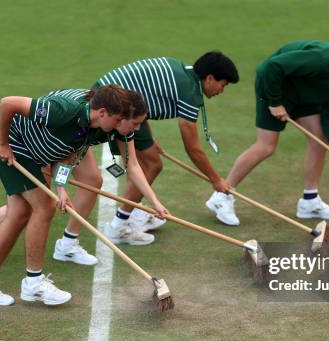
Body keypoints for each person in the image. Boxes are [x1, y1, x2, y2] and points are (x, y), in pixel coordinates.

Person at [0, 51, 239, 269]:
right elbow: (14, 108)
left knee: (90, 181)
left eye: (140, 127)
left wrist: (155, 203)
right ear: (119, 118)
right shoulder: (82, 120)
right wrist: (11, 148)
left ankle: (67, 244)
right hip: (30, 143)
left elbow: (105, 163)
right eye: (135, 126)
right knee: (33, 203)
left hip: (69, 140)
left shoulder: (114, 128)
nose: (137, 131)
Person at [0, 86, 168, 306]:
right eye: (119, 120)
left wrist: (61, 187)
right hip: (16, 146)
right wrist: (3, 143)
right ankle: (32, 283)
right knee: (43, 208)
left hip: (37, 154)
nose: (121, 126)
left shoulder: (95, 127)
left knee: (19, 213)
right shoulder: (63, 111)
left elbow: (68, 156)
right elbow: (8, 103)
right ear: (102, 113)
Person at [206, 40, 329, 225]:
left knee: (320, 138)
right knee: (266, 146)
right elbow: (269, 68)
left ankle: (309, 203)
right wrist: (275, 102)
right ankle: (222, 197)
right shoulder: (323, 59)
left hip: (303, 97)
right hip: (273, 88)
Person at [93, 52, 239, 244]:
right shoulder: (190, 92)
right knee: (152, 165)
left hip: (113, 97)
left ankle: (134, 214)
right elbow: (192, 148)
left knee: (145, 160)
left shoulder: (185, 73)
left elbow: (145, 96)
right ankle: (118, 227)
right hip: (115, 106)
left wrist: (150, 137)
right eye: (223, 84)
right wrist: (216, 180)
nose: (222, 90)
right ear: (210, 78)